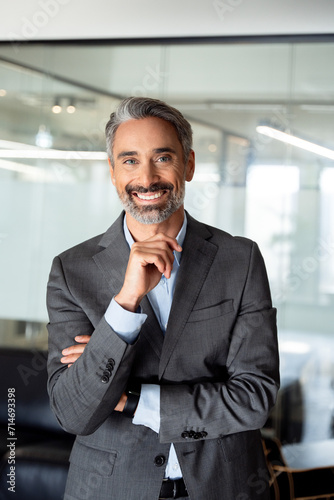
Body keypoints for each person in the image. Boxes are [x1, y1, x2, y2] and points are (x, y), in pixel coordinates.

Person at [47, 96, 279, 500]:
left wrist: (134, 400)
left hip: (224, 486)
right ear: (113, 173)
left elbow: (254, 398)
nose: (147, 177)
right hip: (110, 489)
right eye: (130, 160)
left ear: (188, 164)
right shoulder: (72, 270)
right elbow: (73, 411)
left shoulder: (239, 259)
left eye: (163, 157)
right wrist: (124, 304)